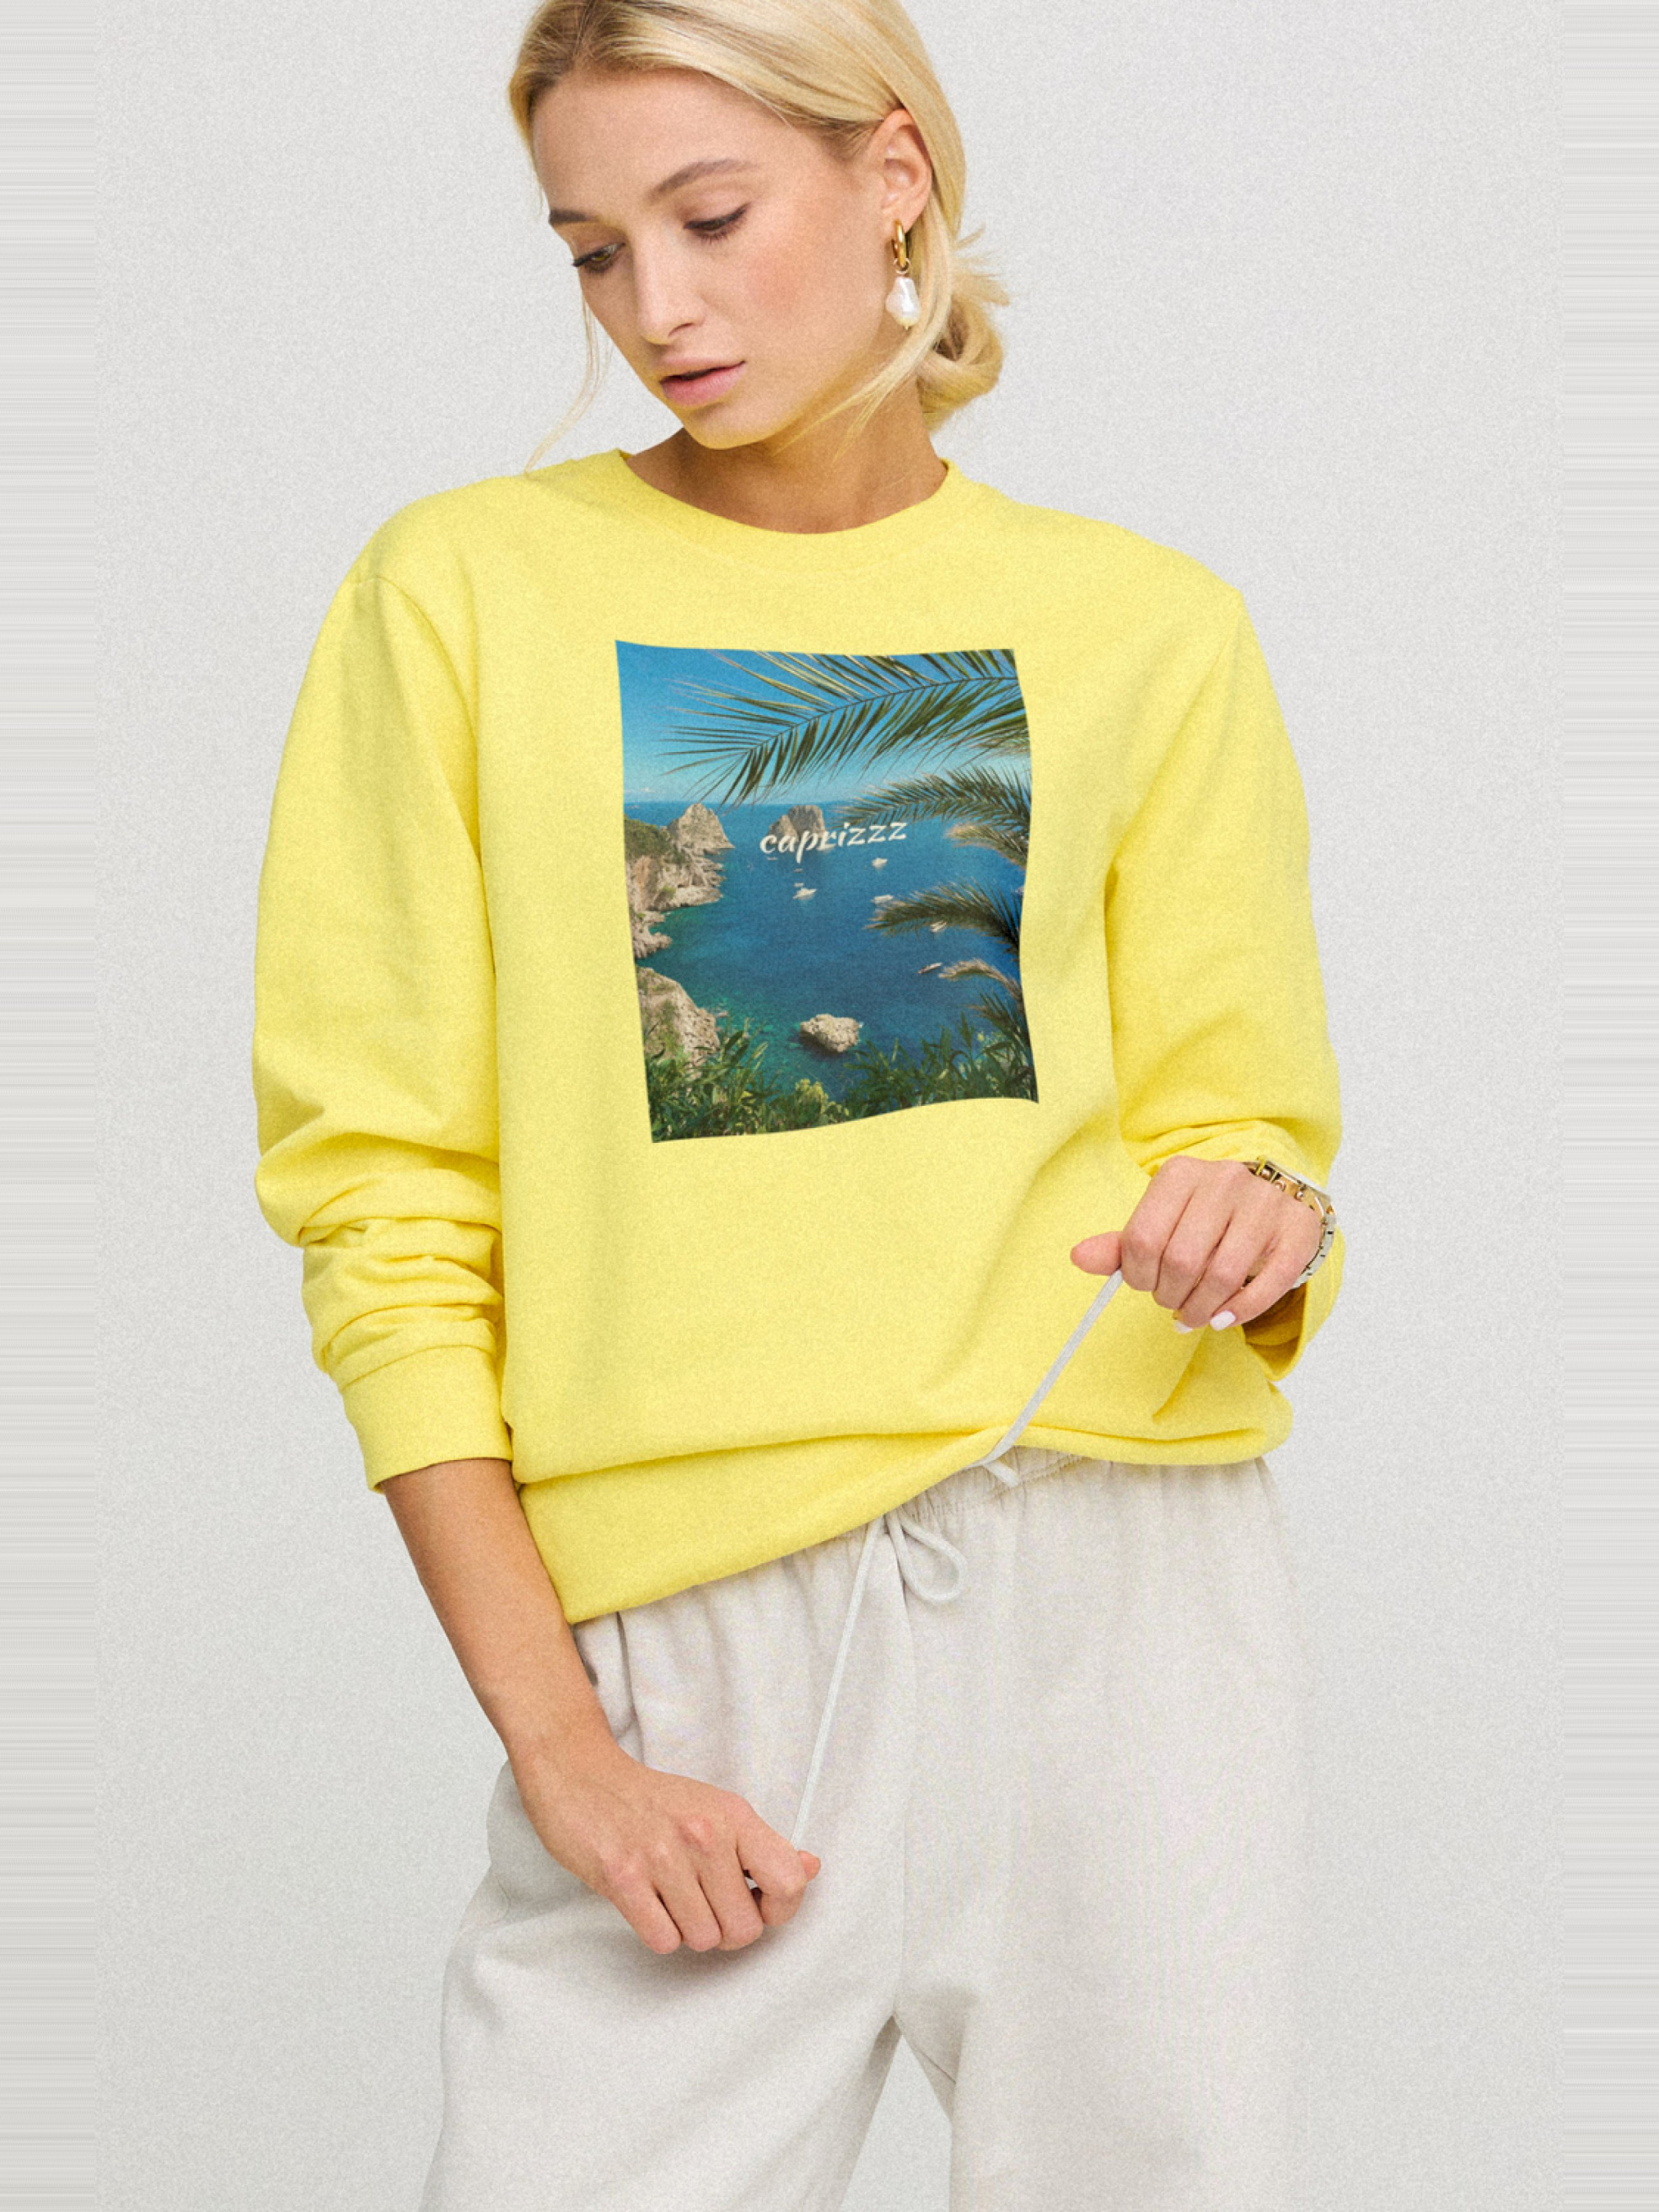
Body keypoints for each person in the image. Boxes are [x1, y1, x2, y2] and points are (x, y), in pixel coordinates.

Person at [250, 2, 1346, 2205]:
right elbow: (384, 1203)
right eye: (592, 250)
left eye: (711, 216)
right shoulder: (461, 593)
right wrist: (564, 1745)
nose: (656, 307)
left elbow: (1247, 1124)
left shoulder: (1146, 627)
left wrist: (1259, 1217)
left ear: (891, 175)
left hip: (1111, 1587)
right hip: (694, 1618)